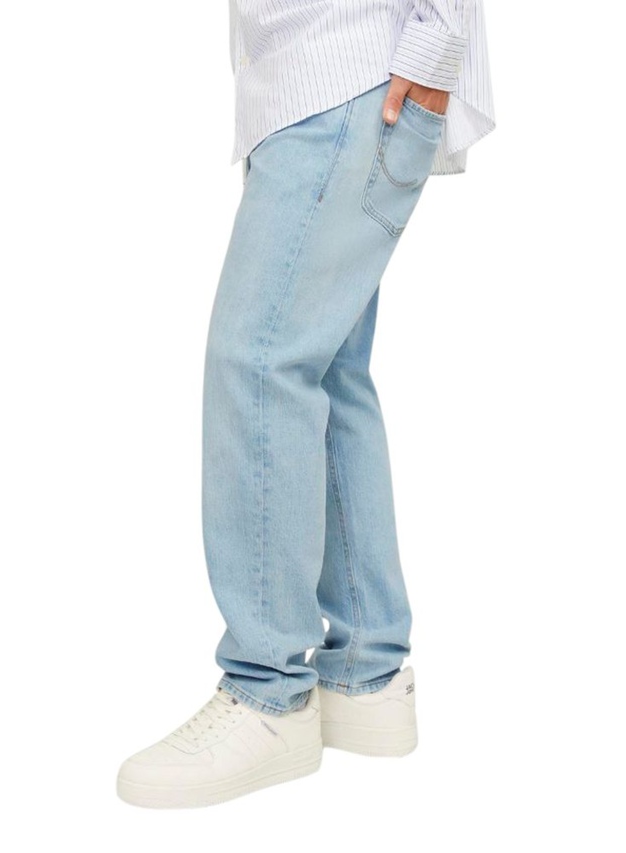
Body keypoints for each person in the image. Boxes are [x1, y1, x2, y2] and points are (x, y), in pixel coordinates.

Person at [117, 0, 495, 808]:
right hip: (318, 82)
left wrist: (436, 45)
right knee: (323, 371)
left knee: (259, 363)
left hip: (349, 72)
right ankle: (365, 671)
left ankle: (268, 692)